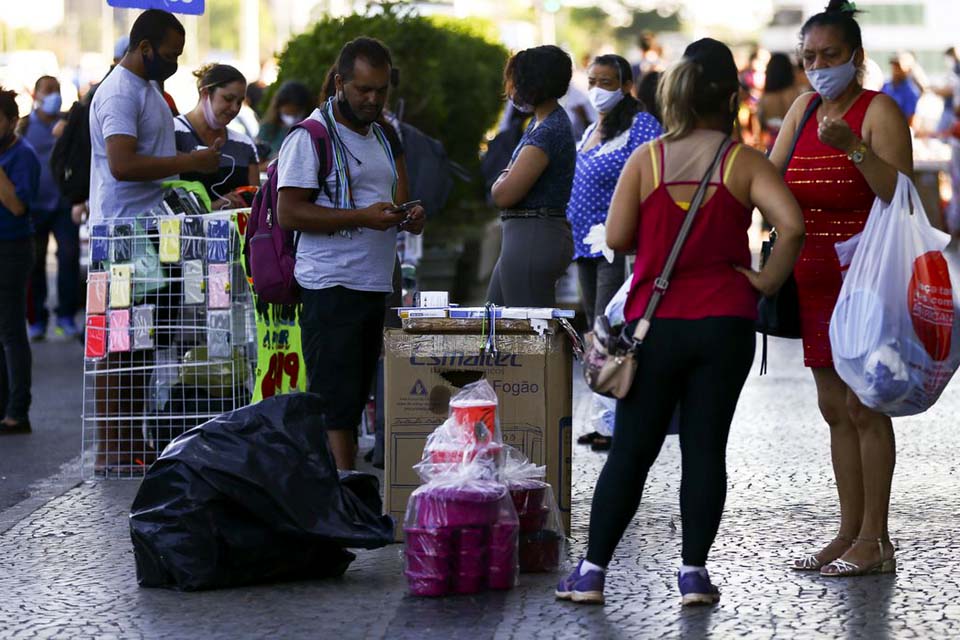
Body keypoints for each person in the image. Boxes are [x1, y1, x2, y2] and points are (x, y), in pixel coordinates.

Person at [556, 38, 804, 606]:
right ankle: (694, 575)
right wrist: (765, 281)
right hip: (726, 324)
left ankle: (592, 574)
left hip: (656, 325)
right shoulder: (744, 161)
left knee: (631, 450)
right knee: (705, 448)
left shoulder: (649, 159)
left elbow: (618, 237)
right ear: (731, 97)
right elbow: (791, 225)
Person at [770, 0, 912, 577]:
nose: (818, 67)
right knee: (834, 408)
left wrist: (852, 147)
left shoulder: (879, 110)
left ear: (856, 57)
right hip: (812, 279)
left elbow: (900, 194)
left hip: (866, 280)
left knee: (864, 406)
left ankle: (876, 540)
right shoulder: (802, 108)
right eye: (809, 57)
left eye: (830, 55)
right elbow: (769, 178)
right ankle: (848, 532)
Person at [276, 37, 423, 471]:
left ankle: (345, 486)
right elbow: (289, 212)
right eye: (363, 89)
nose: (373, 99)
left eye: (381, 90)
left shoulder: (382, 134)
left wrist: (408, 215)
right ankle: (342, 488)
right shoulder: (311, 136)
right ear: (340, 83)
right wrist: (361, 217)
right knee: (335, 404)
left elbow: (390, 199)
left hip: (372, 284)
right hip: (330, 284)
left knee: (356, 397)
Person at [88, 9, 220, 473]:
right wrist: (189, 163)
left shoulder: (147, 90)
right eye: (169, 54)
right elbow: (122, 164)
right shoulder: (120, 93)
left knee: (140, 343)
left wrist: (188, 160)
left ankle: (130, 442)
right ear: (143, 48)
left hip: (148, 233)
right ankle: (111, 449)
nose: (175, 62)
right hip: (121, 237)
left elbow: (149, 157)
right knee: (119, 345)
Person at [568, 55, 662, 331]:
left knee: (608, 326)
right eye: (592, 82)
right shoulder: (590, 131)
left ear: (626, 86)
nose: (597, 89)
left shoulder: (640, 125)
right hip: (583, 244)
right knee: (593, 326)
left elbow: (655, 177)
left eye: (606, 82)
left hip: (617, 244)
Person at [488, 45, 576, 307]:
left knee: (526, 326)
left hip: (533, 234)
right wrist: (506, 177)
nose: (510, 89)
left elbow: (504, 194)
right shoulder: (540, 123)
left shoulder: (548, 130)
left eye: (514, 81)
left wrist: (502, 180)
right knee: (497, 320)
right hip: (524, 234)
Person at [19, 75, 81, 340]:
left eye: (57, 89)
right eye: (48, 90)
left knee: (68, 258)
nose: (54, 95)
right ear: (36, 95)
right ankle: (36, 320)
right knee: (34, 263)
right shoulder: (23, 127)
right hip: (33, 206)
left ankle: (65, 316)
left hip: (63, 204)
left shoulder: (67, 124)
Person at [0, 87, 41, 435]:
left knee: (12, 331)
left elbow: (16, 206)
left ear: (13, 121)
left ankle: (18, 410)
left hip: (11, 249)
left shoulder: (23, 155)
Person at [174, 63, 259, 208]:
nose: (235, 108)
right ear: (205, 93)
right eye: (228, 99)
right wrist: (214, 207)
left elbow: (257, 205)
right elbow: (164, 198)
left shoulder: (244, 144)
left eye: (239, 102)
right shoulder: (172, 132)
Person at [256, 81, 314, 165]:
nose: (292, 119)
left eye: (296, 114)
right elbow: (256, 163)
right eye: (287, 113)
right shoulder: (267, 128)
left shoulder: (308, 132)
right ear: (278, 108)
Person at [758, 53, 804, 151]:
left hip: (773, 146)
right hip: (796, 144)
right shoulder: (798, 95)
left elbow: (761, 124)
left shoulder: (764, 99)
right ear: (789, 70)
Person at [882, 52, 923, 126]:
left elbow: (910, 121)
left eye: (899, 67)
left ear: (908, 70)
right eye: (894, 66)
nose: (895, 70)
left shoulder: (911, 92)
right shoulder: (885, 86)